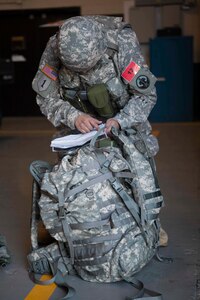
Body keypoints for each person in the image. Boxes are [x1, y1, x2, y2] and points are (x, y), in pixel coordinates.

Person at [32, 15, 168, 245]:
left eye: (89, 68)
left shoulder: (121, 43)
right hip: (81, 121)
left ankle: (151, 220)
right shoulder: (56, 47)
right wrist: (73, 116)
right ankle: (66, 220)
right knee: (70, 167)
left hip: (123, 116)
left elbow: (145, 96)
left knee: (139, 160)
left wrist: (120, 121)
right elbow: (46, 97)